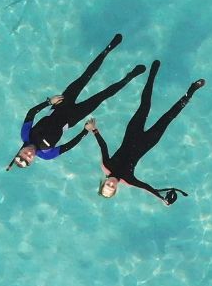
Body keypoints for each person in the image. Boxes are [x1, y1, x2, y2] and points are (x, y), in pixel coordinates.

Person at [8, 34, 145, 169]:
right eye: (28, 159)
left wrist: (49, 102)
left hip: (59, 105)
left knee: (85, 77)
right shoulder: (47, 154)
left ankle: (108, 49)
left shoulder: (25, 135)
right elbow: (70, 145)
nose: (28, 154)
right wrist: (85, 131)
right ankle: (130, 76)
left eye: (24, 154)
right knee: (103, 96)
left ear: (20, 151)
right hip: (73, 118)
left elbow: (31, 113)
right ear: (32, 161)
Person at [85, 60, 204, 204]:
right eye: (112, 188)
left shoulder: (106, 165)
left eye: (107, 186)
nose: (111, 184)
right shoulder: (128, 180)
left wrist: (94, 130)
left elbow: (103, 147)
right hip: (148, 142)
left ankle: (152, 75)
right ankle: (191, 90)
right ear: (116, 189)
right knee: (169, 117)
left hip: (132, 133)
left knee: (145, 105)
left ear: (103, 183)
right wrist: (161, 198)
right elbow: (146, 187)